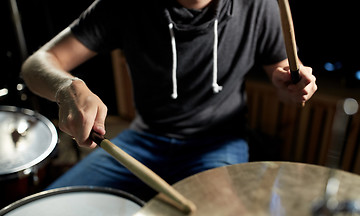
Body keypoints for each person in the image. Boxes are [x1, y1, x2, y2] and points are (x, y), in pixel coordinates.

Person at [21, 0, 317, 201]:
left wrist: (292, 86)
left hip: (218, 143)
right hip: (144, 139)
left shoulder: (259, 5)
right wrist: (67, 88)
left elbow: (286, 83)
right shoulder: (124, 4)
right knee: (53, 211)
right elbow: (36, 64)